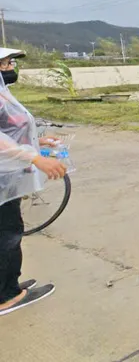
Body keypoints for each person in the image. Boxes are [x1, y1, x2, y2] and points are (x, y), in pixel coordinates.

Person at [0, 49, 65, 317]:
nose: (10, 66)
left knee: (9, 229)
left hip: (6, 176)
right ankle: (7, 295)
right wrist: (34, 157)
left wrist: (39, 144)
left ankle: (8, 285)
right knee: (7, 234)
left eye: (10, 62)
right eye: (5, 62)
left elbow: (11, 130)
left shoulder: (3, 92)